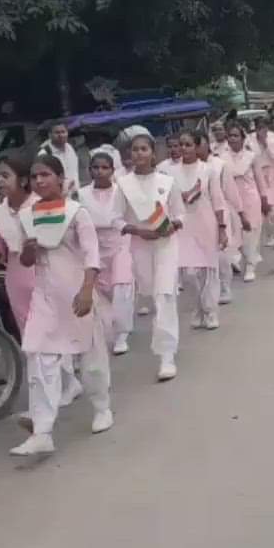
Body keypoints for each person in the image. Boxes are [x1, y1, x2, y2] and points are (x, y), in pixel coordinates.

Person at [9, 155, 113, 456]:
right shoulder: (27, 216)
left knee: (91, 356)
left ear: (59, 177)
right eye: (34, 176)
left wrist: (87, 290)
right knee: (39, 356)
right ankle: (42, 431)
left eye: (45, 175)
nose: (39, 181)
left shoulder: (76, 212)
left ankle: (102, 407)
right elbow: (26, 260)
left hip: (77, 292)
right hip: (45, 296)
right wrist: (29, 250)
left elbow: (92, 255)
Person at [115, 129, 184, 380]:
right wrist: (137, 230)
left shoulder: (167, 182)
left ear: (153, 153)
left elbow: (180, 212)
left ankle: (167, 356)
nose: (139, 153)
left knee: (165, 296)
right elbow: (116, 219)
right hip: (140, 245)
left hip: (166, 244)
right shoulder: (123, 185)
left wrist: (173, 225)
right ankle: (164, 345)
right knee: (150, 293)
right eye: (135, 150)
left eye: (144, 149)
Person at [164, 131, 226, 330]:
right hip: (182, 227)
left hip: (206, 223)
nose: (183, 148)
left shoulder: (208, 170)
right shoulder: (169, 173)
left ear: (197, 147)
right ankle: (198, 308)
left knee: (207, 270)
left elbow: (218, 200)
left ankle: (210, 311)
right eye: (180, 144)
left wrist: (222, 228)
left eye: (188, 144)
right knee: (188, 273)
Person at [80, 150, 136, 355]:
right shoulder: (81, 194)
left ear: (113, 170)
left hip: (120, 242)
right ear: (89, 170)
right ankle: (108, 328)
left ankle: (122, 333)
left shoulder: (122, 191)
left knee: (122, 286)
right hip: (95, 245)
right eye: (95, 167)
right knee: (102, 291)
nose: (100, 171)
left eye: (105, 168)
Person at [198, 132, 242, 306]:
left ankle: (225, 288)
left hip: (221, 212)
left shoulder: (219, 165)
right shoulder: (189, 168)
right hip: (199, 216)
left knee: (222, 254)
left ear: (207, 145)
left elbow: (231, 191)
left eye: (199, 143)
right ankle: (208, 290)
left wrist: (240, 212)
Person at [224, 123, 269, 283]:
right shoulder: (221, 158)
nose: (233, 139)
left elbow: (260, 179)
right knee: (235, 234)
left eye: (236, 135)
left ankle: (250, 266)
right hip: (231, 199)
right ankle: (240, 258)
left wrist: (264, 199)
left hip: (250, 198)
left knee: (251, 233)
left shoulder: (251, 156)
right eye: (230, 136)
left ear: (243, 138)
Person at [253, 120, 274, 250]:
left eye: (263, 128)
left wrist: (265, 143)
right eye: (259, 128)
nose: (261, 131)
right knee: (265, 208)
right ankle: (270, 236)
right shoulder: (250, 140)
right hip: (260, 175)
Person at [41, 124, 80, 196]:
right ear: (50, 135)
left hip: (75, 193)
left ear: (67, 133)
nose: (61, 135)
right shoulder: (44, 154)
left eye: (63, 132)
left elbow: (74, 170)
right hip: (58, 196)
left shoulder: (70, 147)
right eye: (57, 132)